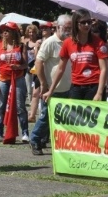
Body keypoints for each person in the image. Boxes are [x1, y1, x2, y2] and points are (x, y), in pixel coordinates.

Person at [43, 9, 108, 101]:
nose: (87, 25)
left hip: (94, 87)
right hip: (76, 87)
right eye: (83, 22)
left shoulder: (98, 43)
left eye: (89, 22)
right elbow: (60, 69)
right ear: (76, 24)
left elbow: (104, 69)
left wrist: (99, 93)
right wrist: (51, 90)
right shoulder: (67, 43)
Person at [29, 14, 72, 155]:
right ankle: (34, 139)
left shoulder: (70, 41)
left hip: (67, 87)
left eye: (71, 28)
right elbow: (38, 62)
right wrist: (43, 83)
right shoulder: (50, 42)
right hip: (53, 88)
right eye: (66, 28)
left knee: (61, 118)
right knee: (46, 116)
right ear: (58, 27)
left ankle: (46, 140)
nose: (69, 30)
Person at [0, 21, 30, 143]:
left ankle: (25, 133)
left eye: (7, 30)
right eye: (3, 31)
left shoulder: (21, 46)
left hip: (18, 78)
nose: (4, 33)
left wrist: (18, 67)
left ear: (13, 32)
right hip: (3, 79)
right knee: (1, 107)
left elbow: (25, 64)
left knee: (20, 106)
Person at [24, 24, 41, 122]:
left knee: (36, 90)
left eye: (33, 32)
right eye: (30, 32)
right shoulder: (25, 43)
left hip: (36, 68)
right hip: (27, 68)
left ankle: (34, 110)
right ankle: (31, 109)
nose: (31, 34)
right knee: (29, 90)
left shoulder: (38, 43)